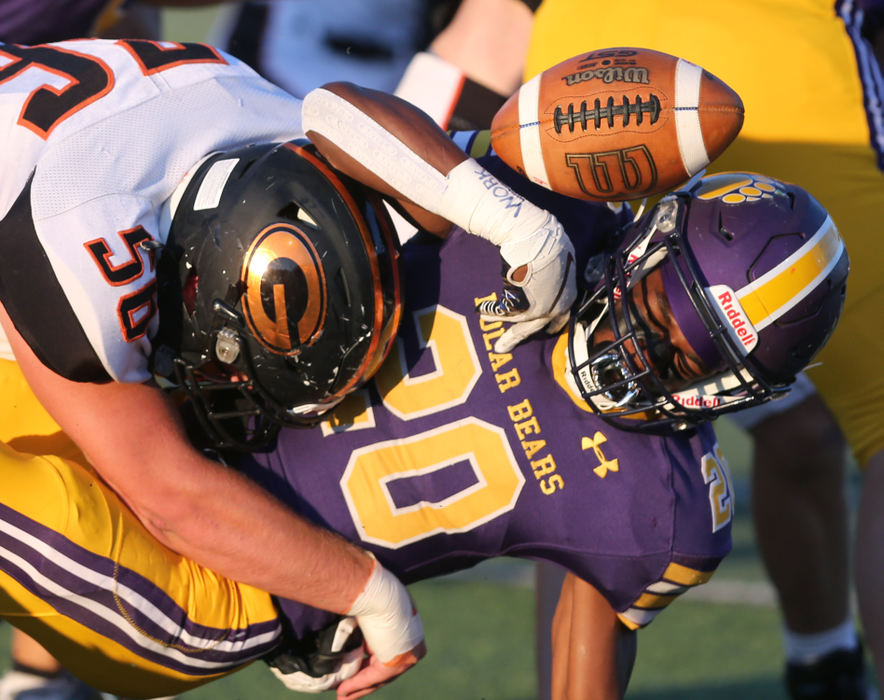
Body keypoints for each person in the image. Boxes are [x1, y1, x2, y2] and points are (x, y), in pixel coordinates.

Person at [0, 34, 591, 700]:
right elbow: (171, 500)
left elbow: (342, 115)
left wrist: (513, 223)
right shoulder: (74, 251)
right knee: (203, 618)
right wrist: (367, 594)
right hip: (40, 239)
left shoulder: (260, 133)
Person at [391, 0, 881, 697]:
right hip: (801, 67)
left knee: (585, 409)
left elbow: (488, 31)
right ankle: (825, 662)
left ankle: (824, 659)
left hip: (596, 80)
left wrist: (402, 183)